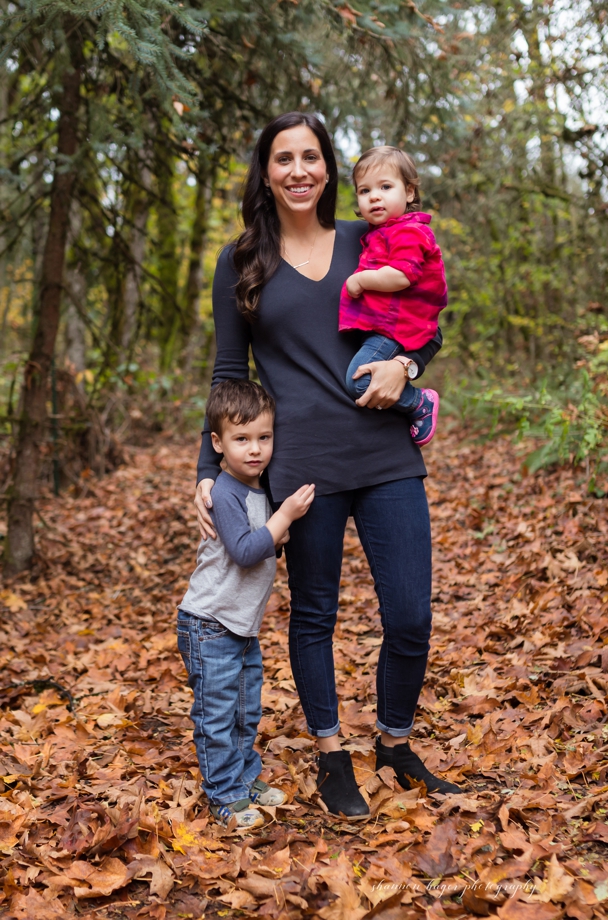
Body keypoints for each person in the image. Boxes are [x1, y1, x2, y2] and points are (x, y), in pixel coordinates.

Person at [194, 112, 463, 818]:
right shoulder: (243, 260)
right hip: (303, 466)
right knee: (314, 615)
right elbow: (229, 370)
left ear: (328, 167)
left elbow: (428, 317)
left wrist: (406, 365)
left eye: (311, 156)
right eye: (283, 158)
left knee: (409, 616)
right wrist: (206, 466)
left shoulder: (365, 239)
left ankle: (396, 744)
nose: (299, 171)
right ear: (266, 171)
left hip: (385, 451)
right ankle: (330, 755)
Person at [178, 379, 316, 830]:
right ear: (218, 443)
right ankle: (224, 795)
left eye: (263, 437)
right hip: (210, 623)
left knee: (245, 710)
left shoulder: (255, 489)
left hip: (239, 626)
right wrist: (283, 519)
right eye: (241, 439)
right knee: (217, 715)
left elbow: (261, 544)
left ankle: (244, 777)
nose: (254, 449)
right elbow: (242, 550)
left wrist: (276, 532)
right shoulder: (224, 491)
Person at [340, 146, 445, 446]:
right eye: (365, 190)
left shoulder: (409, 232)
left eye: (385, 187)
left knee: (358, 382)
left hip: (397, 329)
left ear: (409, 192)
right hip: (389, 326)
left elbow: (402, 275)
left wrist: (361, 280)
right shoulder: (383, 232)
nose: (374, 196)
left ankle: (419, 403)